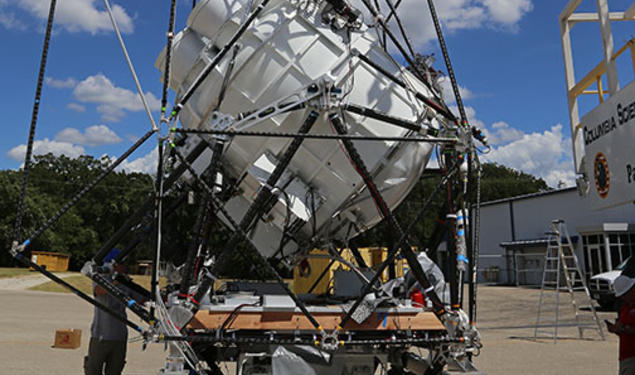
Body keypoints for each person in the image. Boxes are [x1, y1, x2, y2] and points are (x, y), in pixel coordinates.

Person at [84, 249, 132, 375]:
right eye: (124, 263)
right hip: (101, 335)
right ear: (115, 264)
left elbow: (139, 299)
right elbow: (99, 291)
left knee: (115, 371)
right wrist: (115, 281)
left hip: (120, 337)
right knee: (93, 370)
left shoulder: (125, 280)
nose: (127, 266)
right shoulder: (101, 277)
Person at [607, 275, 635, 375]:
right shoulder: (625, 307)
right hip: (625, 356)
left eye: (624, 294)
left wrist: (623, 327)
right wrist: (617, 329)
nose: (623, 298)